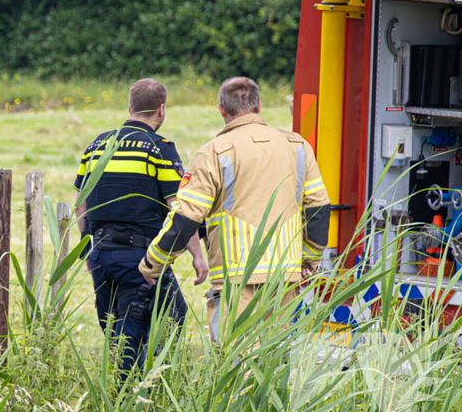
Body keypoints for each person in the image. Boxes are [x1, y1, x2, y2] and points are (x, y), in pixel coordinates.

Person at [140, 77, 331, 343]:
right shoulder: (298, 146)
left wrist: (154, 263)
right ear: (259, 106)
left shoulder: (213, 152)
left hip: (235, 278)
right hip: (284, 275)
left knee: (234, 364)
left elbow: (186, 218)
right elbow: (318, 209)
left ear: (221, 110)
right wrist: (308, 261)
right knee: (276, 363)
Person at [74, 78, 209, 379]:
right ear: (161, 110)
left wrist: (87, 249)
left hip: (100, 254)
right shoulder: (158, 149)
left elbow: (80, 205)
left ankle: (128, 392)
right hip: (139, 258)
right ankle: (138, 398)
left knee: (115, 330)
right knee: (162, 320)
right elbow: (179, 208)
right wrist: (198, 255)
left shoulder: (97, 145)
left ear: (129, 107)